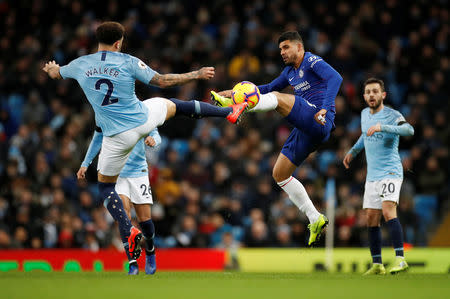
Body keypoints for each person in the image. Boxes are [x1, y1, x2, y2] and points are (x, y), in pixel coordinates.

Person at [42, 21, 247, 263]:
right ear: (119, 42)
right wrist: (196, 74)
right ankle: (228, 113)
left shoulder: (80, 64)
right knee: (176, 106)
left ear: (98, 40)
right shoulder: (128, 61)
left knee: (105, 187)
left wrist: (53, 68)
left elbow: (56, 73)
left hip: (116, 137)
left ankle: (129, 230)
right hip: (143, 120)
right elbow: (162, 80)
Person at [212, 31, 343, 246]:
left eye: (286, 47)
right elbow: (265, 89)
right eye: (280, 48)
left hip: (319, 118)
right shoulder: (289, 72)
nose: (281, 52)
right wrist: (235, 92)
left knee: (278, 100)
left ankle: (238, 109)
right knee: (279, 174)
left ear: (299, 47)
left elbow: (335, 78)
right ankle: (315, 217)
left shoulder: (311, 60)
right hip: (306, 129)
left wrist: (326, 108)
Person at [343, 78, 414, 275]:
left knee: (388, 211)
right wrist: (353, 152)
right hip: (372, 175)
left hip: (390, 172)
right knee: (371, 218)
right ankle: (377, 264)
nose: (371, 95)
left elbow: (409, 130)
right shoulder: (364, 114)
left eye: (375, 91)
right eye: (368, 92)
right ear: (364, 96)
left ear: (383, 95)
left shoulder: (392, 114)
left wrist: (384, 127)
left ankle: (400, 259)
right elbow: (365, 135)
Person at [77, 127, 161, 275]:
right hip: (117, 175)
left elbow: (155, 133)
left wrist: (154, 140)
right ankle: (133, 263)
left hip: (138, 173)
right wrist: (85, 163)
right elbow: (97, 138)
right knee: (124, 217)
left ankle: (150, 252)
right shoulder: (106, 114)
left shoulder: (142, 113)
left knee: (145, 220)